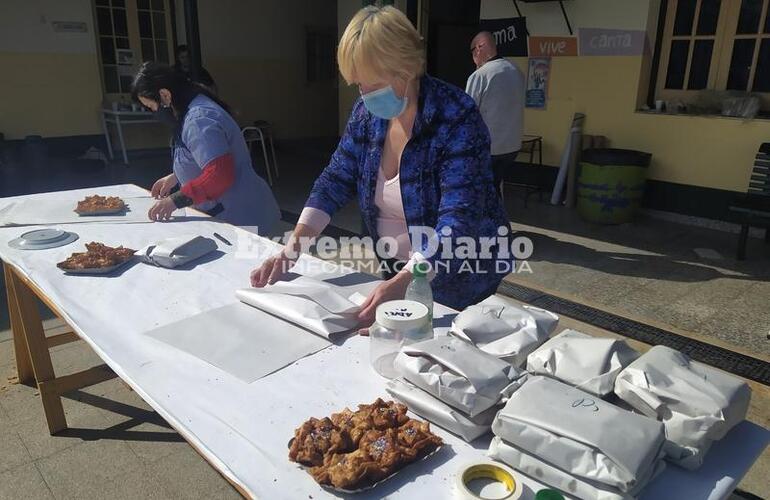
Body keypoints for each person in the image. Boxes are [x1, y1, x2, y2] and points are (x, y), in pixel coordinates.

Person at [249, 6, 511, 325]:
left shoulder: (456, 117)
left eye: (372, 84)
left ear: (405, 67)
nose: (364, 94)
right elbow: (335, 179)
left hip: (461, 277)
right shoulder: (366, 115)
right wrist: (292, 248)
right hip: (398, 269)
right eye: (358, 85)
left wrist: (405, 283)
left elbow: (459, 219)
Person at [131, 61, 280, 231]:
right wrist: (176, 176)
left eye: (152, 107)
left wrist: (175, 201)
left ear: (165, 95)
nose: (154, 113)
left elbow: (219, 174)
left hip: (240, 217)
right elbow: (204, 156)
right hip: (235, 211)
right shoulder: (193, 107)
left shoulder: (198, 120)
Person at [466, 31, 524, 196]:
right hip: (512, 146)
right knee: (495, 187)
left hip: (488, 148)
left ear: (479, 48)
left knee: (480, 193)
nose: (473, 58)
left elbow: (468, 115)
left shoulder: (480, 75)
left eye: (472, 52)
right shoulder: (516, 70)